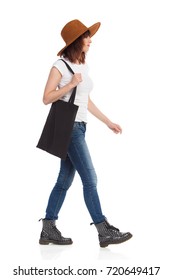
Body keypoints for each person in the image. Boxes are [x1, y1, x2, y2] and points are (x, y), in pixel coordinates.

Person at [39, 19, 132, 248]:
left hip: (80, 126)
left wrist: (107, 121)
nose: (90, 40)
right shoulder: (59, 66)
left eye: (90, 36)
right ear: (75, 41)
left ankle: (48, 228)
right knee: (90, 179)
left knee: (64, 181)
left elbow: (85, 101)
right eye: (86, 36)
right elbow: (46, 97)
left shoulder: (83, 66)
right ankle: (103, 230)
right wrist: (69, 85)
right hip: (69, 128)